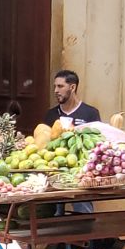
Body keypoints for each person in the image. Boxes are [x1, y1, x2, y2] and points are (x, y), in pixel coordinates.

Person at [45, 70, 99, 214]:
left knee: (83, 210)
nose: (56, 91)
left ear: (72, 87)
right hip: (55, 170)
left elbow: (97, 143)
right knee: (54, 213)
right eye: (55, 86)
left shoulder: (90, 113)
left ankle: (87, 234)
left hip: (81, 172)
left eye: (60, 86)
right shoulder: (51, 115)